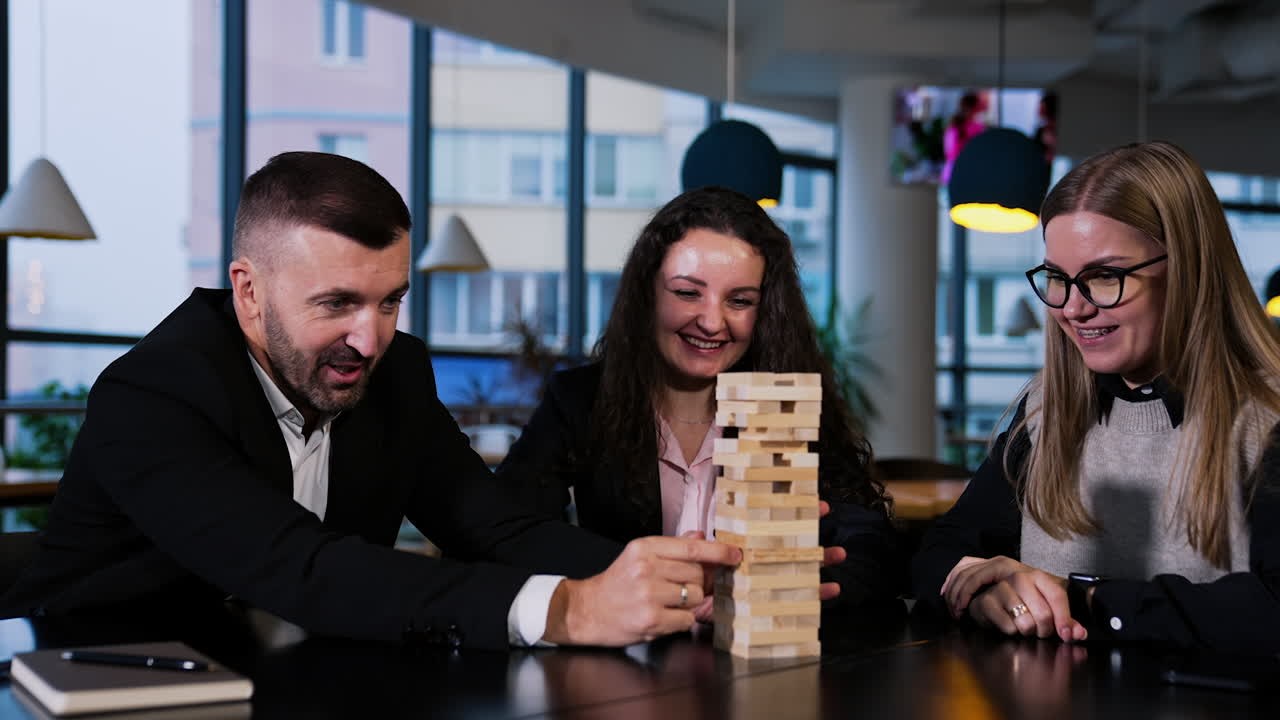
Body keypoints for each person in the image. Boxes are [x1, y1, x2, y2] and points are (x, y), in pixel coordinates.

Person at [0, 151, 743, 650]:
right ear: (249, 291)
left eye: (391, 301)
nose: (371, 336)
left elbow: (494, 525)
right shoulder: (151, 394)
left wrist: (672, 579)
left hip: (314, 677)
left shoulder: (397, 372)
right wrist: (568, 609)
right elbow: (303, 568)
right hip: (109, 679)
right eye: (339, 304)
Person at [912, 141, 1280, 655]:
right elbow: (940, 551)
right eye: (1058, 279)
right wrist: (984, 593)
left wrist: (1083, 600)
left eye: (1105, 276)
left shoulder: (1266, 418)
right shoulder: (1044, 409)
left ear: (1189, 267)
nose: (1073, 309)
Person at [495, 186, 901, 616]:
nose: (711, 322)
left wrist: (793, 588)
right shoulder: (579, 399)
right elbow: (509, 531)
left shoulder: (787, 400)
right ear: (647, 294)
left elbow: (875, 551)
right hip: (626, 662)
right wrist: (641, 576)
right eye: (688, 293)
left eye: (740, 301)